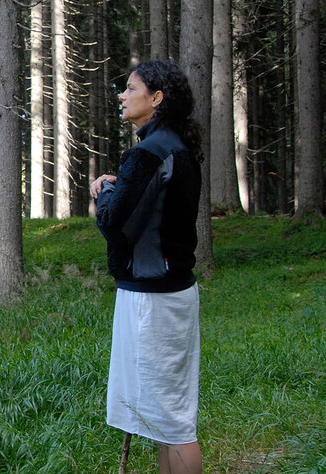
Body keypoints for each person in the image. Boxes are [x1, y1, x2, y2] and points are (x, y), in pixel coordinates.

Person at [90, 60, 203, 474]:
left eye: (130, 89)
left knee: (171, 421)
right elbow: (154, 209)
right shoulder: (174, 146)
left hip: (152, 301)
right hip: (170, 291)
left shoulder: (148, 152)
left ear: (155, 98)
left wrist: (100, 194)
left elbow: (115, 226)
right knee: (164, 416)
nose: (122, 95)